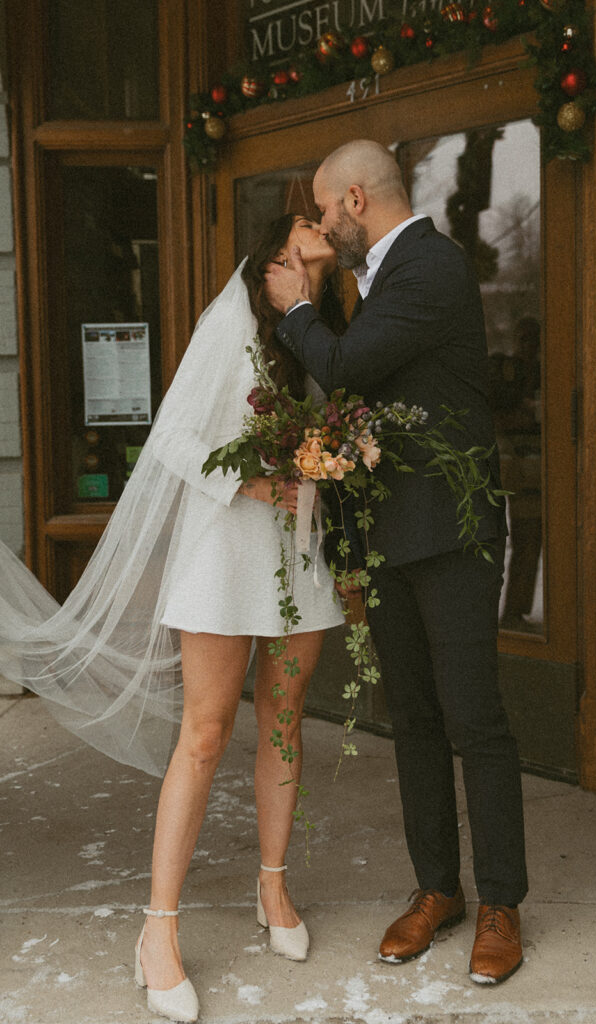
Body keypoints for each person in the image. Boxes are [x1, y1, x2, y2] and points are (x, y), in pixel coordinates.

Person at [0, 213, 345, 1022]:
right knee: (206, 731)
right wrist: (253, 484)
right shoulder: (226, 331)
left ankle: (272, 885)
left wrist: (323, 465)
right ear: (264, 268)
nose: (308, 261)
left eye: (317, 254)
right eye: (296, 251)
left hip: (297, 553)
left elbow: (326, 438)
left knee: (287, 720)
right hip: (224, 553)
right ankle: (157, 930)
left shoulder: (319, 339)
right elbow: (174, 441)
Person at [265, 140, 529, 986]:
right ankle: (436, 890)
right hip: (390, 539)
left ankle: (501, 903)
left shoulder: (429, 265)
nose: (317, 225)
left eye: (321, 208)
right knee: (413, 720)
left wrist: (293, 304)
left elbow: (342, 365)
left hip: (450, 535)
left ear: (352, 198)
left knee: (474, 721)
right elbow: (366, 382)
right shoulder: (377, 275)